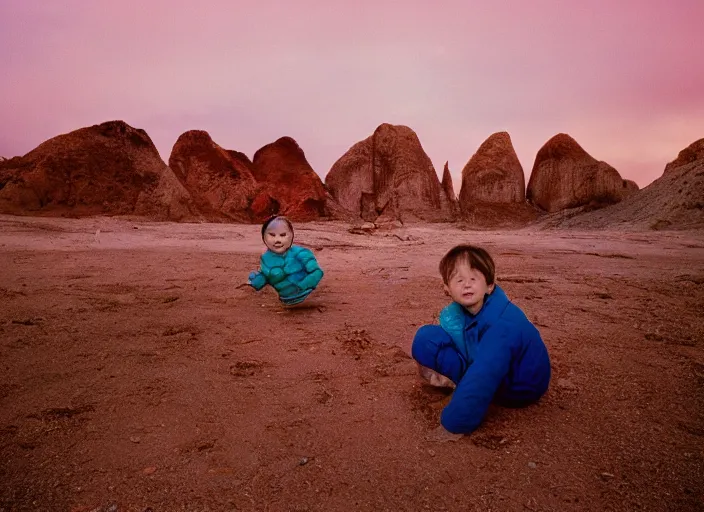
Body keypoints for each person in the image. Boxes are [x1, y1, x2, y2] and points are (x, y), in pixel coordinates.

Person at [412, 244, 551, 440]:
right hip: (488, 363)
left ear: (489, 285)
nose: (466, 285)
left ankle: (465, 404)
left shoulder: (502, 325)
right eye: (459, 280)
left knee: (481, 374)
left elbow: (483, 373)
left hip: (517, 388)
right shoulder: (461, 313)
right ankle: (465, 389)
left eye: (473, 279)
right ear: (446, 288)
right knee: (426, 338)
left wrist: (453, 426)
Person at [247, 216, 324, 305]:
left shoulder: (301, 253)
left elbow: (317, 272)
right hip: (285, 300)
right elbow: (267, 277)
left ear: (291, 235)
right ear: (264, 236)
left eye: (283, 235)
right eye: (272, 235)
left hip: (305, 296)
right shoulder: (265, 258)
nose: (277, 240)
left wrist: (301, 287)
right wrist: (256, 280)